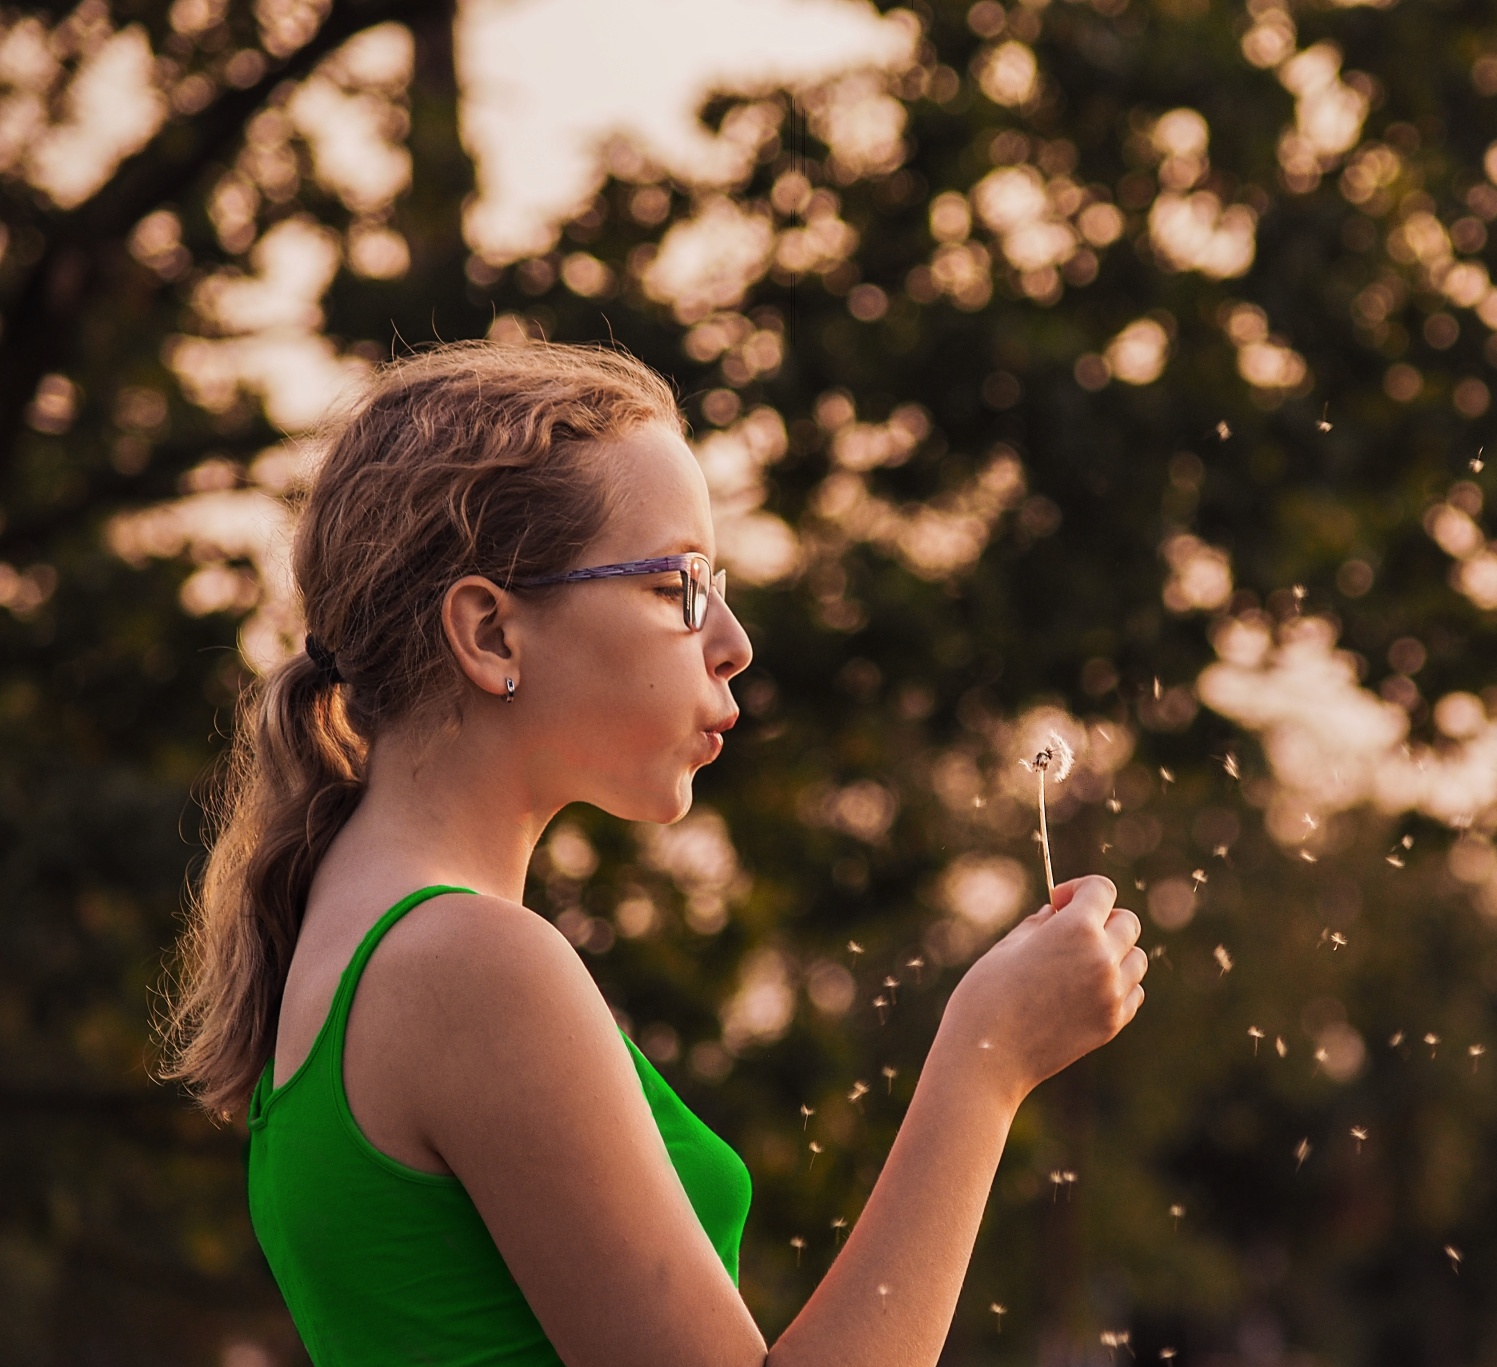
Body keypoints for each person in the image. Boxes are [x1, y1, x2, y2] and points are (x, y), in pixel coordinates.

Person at [158, 340, 1148, 1366]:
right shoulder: (465, 964)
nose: (731, 638)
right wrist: (985, 1062)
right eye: (679, 583)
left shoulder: (349, 931)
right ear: (490, 633)